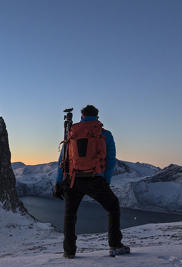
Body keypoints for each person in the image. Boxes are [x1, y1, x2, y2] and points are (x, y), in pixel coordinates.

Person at [52, 105, 129, 258]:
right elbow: (110, 160)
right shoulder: (104, 134)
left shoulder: (72, 132)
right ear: (97, 116)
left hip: (73, 179)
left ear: (82, 115)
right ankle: (115, 244)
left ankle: (69, 251)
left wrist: (59, 182)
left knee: (70, 215)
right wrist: (104, 180)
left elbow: (63, 159)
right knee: (112, 206)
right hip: (95, 179)